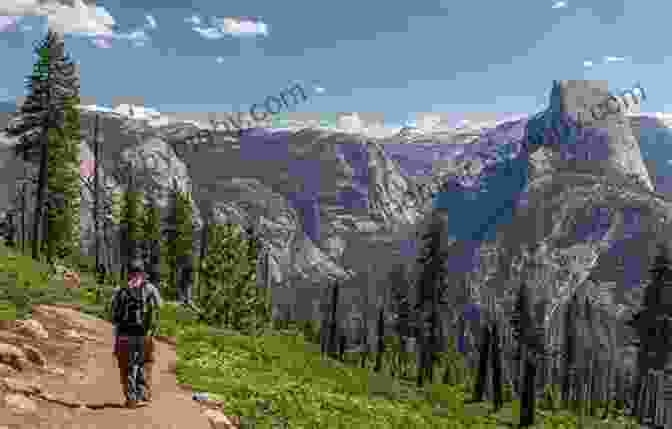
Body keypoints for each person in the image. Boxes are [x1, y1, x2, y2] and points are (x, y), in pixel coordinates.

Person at [110, 257, 162, 408]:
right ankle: (142, 394)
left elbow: (113, 313)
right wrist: (153, 329)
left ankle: (131, 398)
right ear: (143, 272)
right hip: (143, 334)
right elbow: (159, 307)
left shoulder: (120, 289)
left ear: (129, 273)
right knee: (144, 363)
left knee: (126, 367)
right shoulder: (150, 288)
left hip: (124, 334)